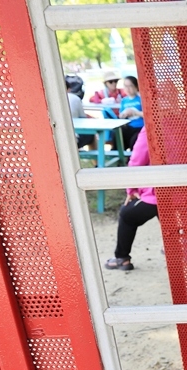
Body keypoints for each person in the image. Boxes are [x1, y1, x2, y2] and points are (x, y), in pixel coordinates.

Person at [104, 127, 157, 271]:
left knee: (127, 215)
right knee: (171, 219)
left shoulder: (151, 128)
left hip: (157, 193)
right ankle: (186, 252)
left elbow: (137, 160)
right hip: (186, 192)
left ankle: (122, 258)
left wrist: (131, 189)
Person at [66, 77, 95, 149]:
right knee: (92, 134)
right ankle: (97, 160)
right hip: (73, 139)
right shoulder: (75, 98)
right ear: (69, 89)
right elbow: (83, 119)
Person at [118, 75, 144, 150]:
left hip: (139, 127)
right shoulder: (124, 100)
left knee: (134, 140)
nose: (128, 89)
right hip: (128, 126)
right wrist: (124, 114)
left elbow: (147, 115)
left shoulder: (141, 99)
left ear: (136, 87)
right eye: (126, 86)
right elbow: (120, 115)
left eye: (130, 86)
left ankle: (132, 158)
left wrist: (135, 112)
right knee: (118, 135)